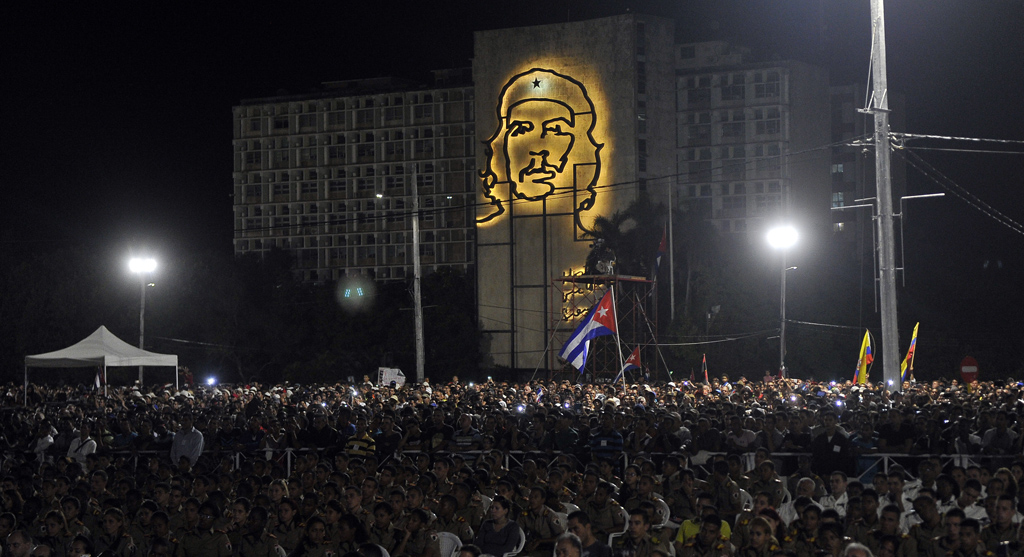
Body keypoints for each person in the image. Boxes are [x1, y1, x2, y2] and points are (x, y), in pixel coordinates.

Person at [478, 68, 604, 231]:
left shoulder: (606, 243)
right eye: (521, 130)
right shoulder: (490, 240)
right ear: (499, 147)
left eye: (555, 129)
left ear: (586, 145)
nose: (538, 149)